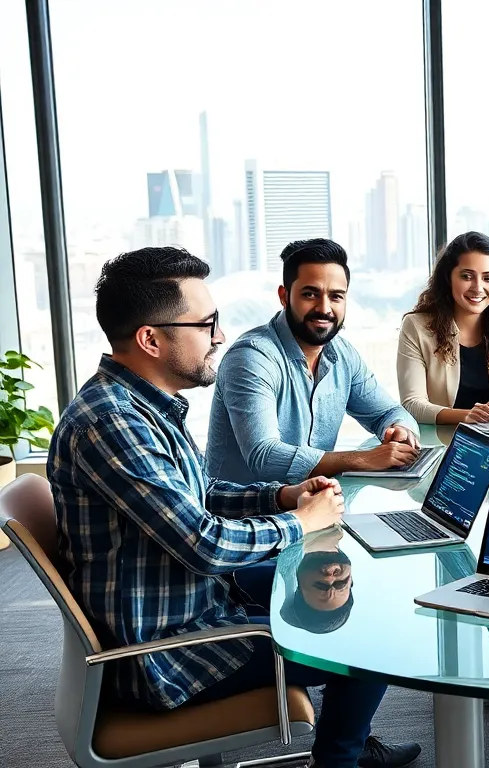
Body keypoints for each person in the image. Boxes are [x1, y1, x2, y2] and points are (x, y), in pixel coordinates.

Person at [47, 247, 419, 768]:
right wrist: (297, 522)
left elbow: (202, 495)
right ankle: (339, 761)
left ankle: (343, 753)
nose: (219, 336)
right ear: (151, 339)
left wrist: (282, 496)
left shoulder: (144, 407)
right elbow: (205, 543)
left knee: (363, 588)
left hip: (196, 603)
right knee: (372, 633)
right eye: (206, 323)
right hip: (170, 651)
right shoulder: (112, 423)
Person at [206, 238, 421, 484]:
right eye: (310, 294)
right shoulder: (252, 357)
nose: (324, 308)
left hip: (313, 506)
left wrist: (398, 431)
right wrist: (362, 459)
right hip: (245, 515)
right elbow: (264, 456)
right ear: (284, 296)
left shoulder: (341, 353)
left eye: (336, 296)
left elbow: (388, 411)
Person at [398, 231, 489, 425]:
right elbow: (412, 403)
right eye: (467, 276)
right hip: (445, 443)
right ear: (449, 278)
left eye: (488, 278)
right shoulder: (416, 327)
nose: (478, 287)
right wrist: (465, 416)